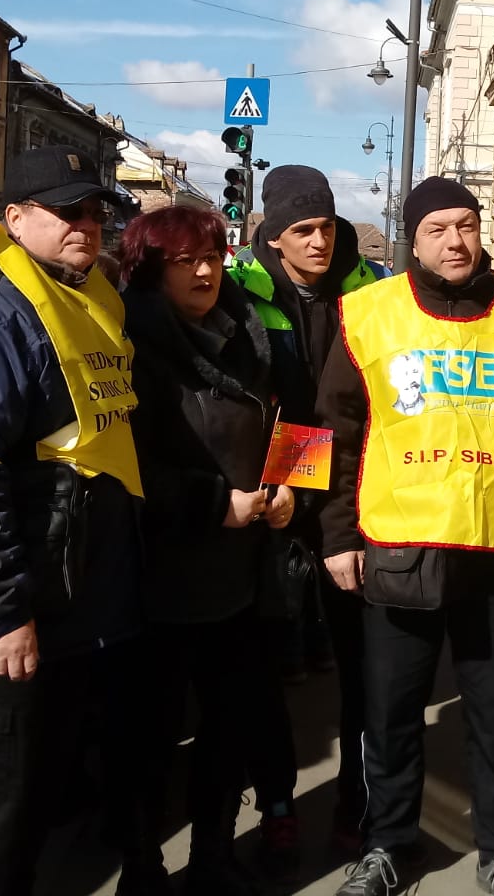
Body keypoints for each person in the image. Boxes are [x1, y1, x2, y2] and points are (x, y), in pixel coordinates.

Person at [318, 177, 494, 896]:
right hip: (398, 548)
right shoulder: (366, 314)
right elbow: (337, 434)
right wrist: (335, 537)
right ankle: (390, 844)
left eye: (467, 225)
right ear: (412, 240)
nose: (455, 241)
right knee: (390, 714)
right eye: (437, 229)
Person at [0, 146, 147, 895]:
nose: (87, 224)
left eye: (95, 211)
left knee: (27, 810)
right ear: (14, 219)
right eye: (66, 210)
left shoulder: (84, 293)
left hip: (57, 604)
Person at [123, 205, 297, 894]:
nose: (203, 270)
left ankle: (214, 856)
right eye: (183, 260)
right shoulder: (127, 346)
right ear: (149, 268)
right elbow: (125, 466)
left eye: (212, 255)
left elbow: (283, 423)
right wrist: (210, 503)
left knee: (228, 731)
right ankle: (141, 865)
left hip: (238, 580)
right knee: (149, 740)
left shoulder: (246, 335)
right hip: (156, 580)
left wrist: (289, 489)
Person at [227, 164, 385, 854]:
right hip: (269, 503)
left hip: (353, 495)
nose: (319, 241)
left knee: (362, 666)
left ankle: (358, 798)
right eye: (303, 230)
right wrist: (281, 477)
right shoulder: (240, 291)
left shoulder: (372, 288)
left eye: (325, 226)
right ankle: (280, 801)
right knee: (262, 668)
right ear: (275, 235)